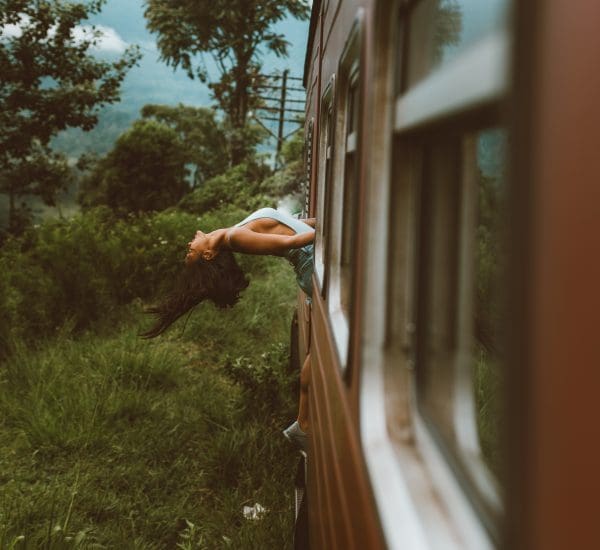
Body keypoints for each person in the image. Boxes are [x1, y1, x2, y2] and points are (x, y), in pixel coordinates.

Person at [142, 207, 314, 452]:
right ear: (209, 254)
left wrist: (317, 222)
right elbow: (294, 240)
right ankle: (303, 423)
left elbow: (290, 225)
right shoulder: (235, 237)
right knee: (319, 352)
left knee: (317, 352)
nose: (189, 243)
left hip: (311, 263)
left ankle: (302, 424)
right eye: (191, 250)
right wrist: (333, 225)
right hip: (313, 263)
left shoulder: (231, 233)